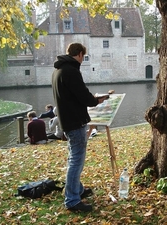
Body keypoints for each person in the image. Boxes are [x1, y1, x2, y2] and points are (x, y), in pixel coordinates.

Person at [52, 43, 108, 213]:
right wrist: (96, 100)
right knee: (76, 161)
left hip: (67, 120)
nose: (83, 60)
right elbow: (83, 95)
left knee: (74, 158)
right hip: (74, 121)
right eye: (83, 56)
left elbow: (72, 95)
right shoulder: (71, 71)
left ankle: (78, 190)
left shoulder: (58, 71)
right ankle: (72, 200)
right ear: (80, 54)